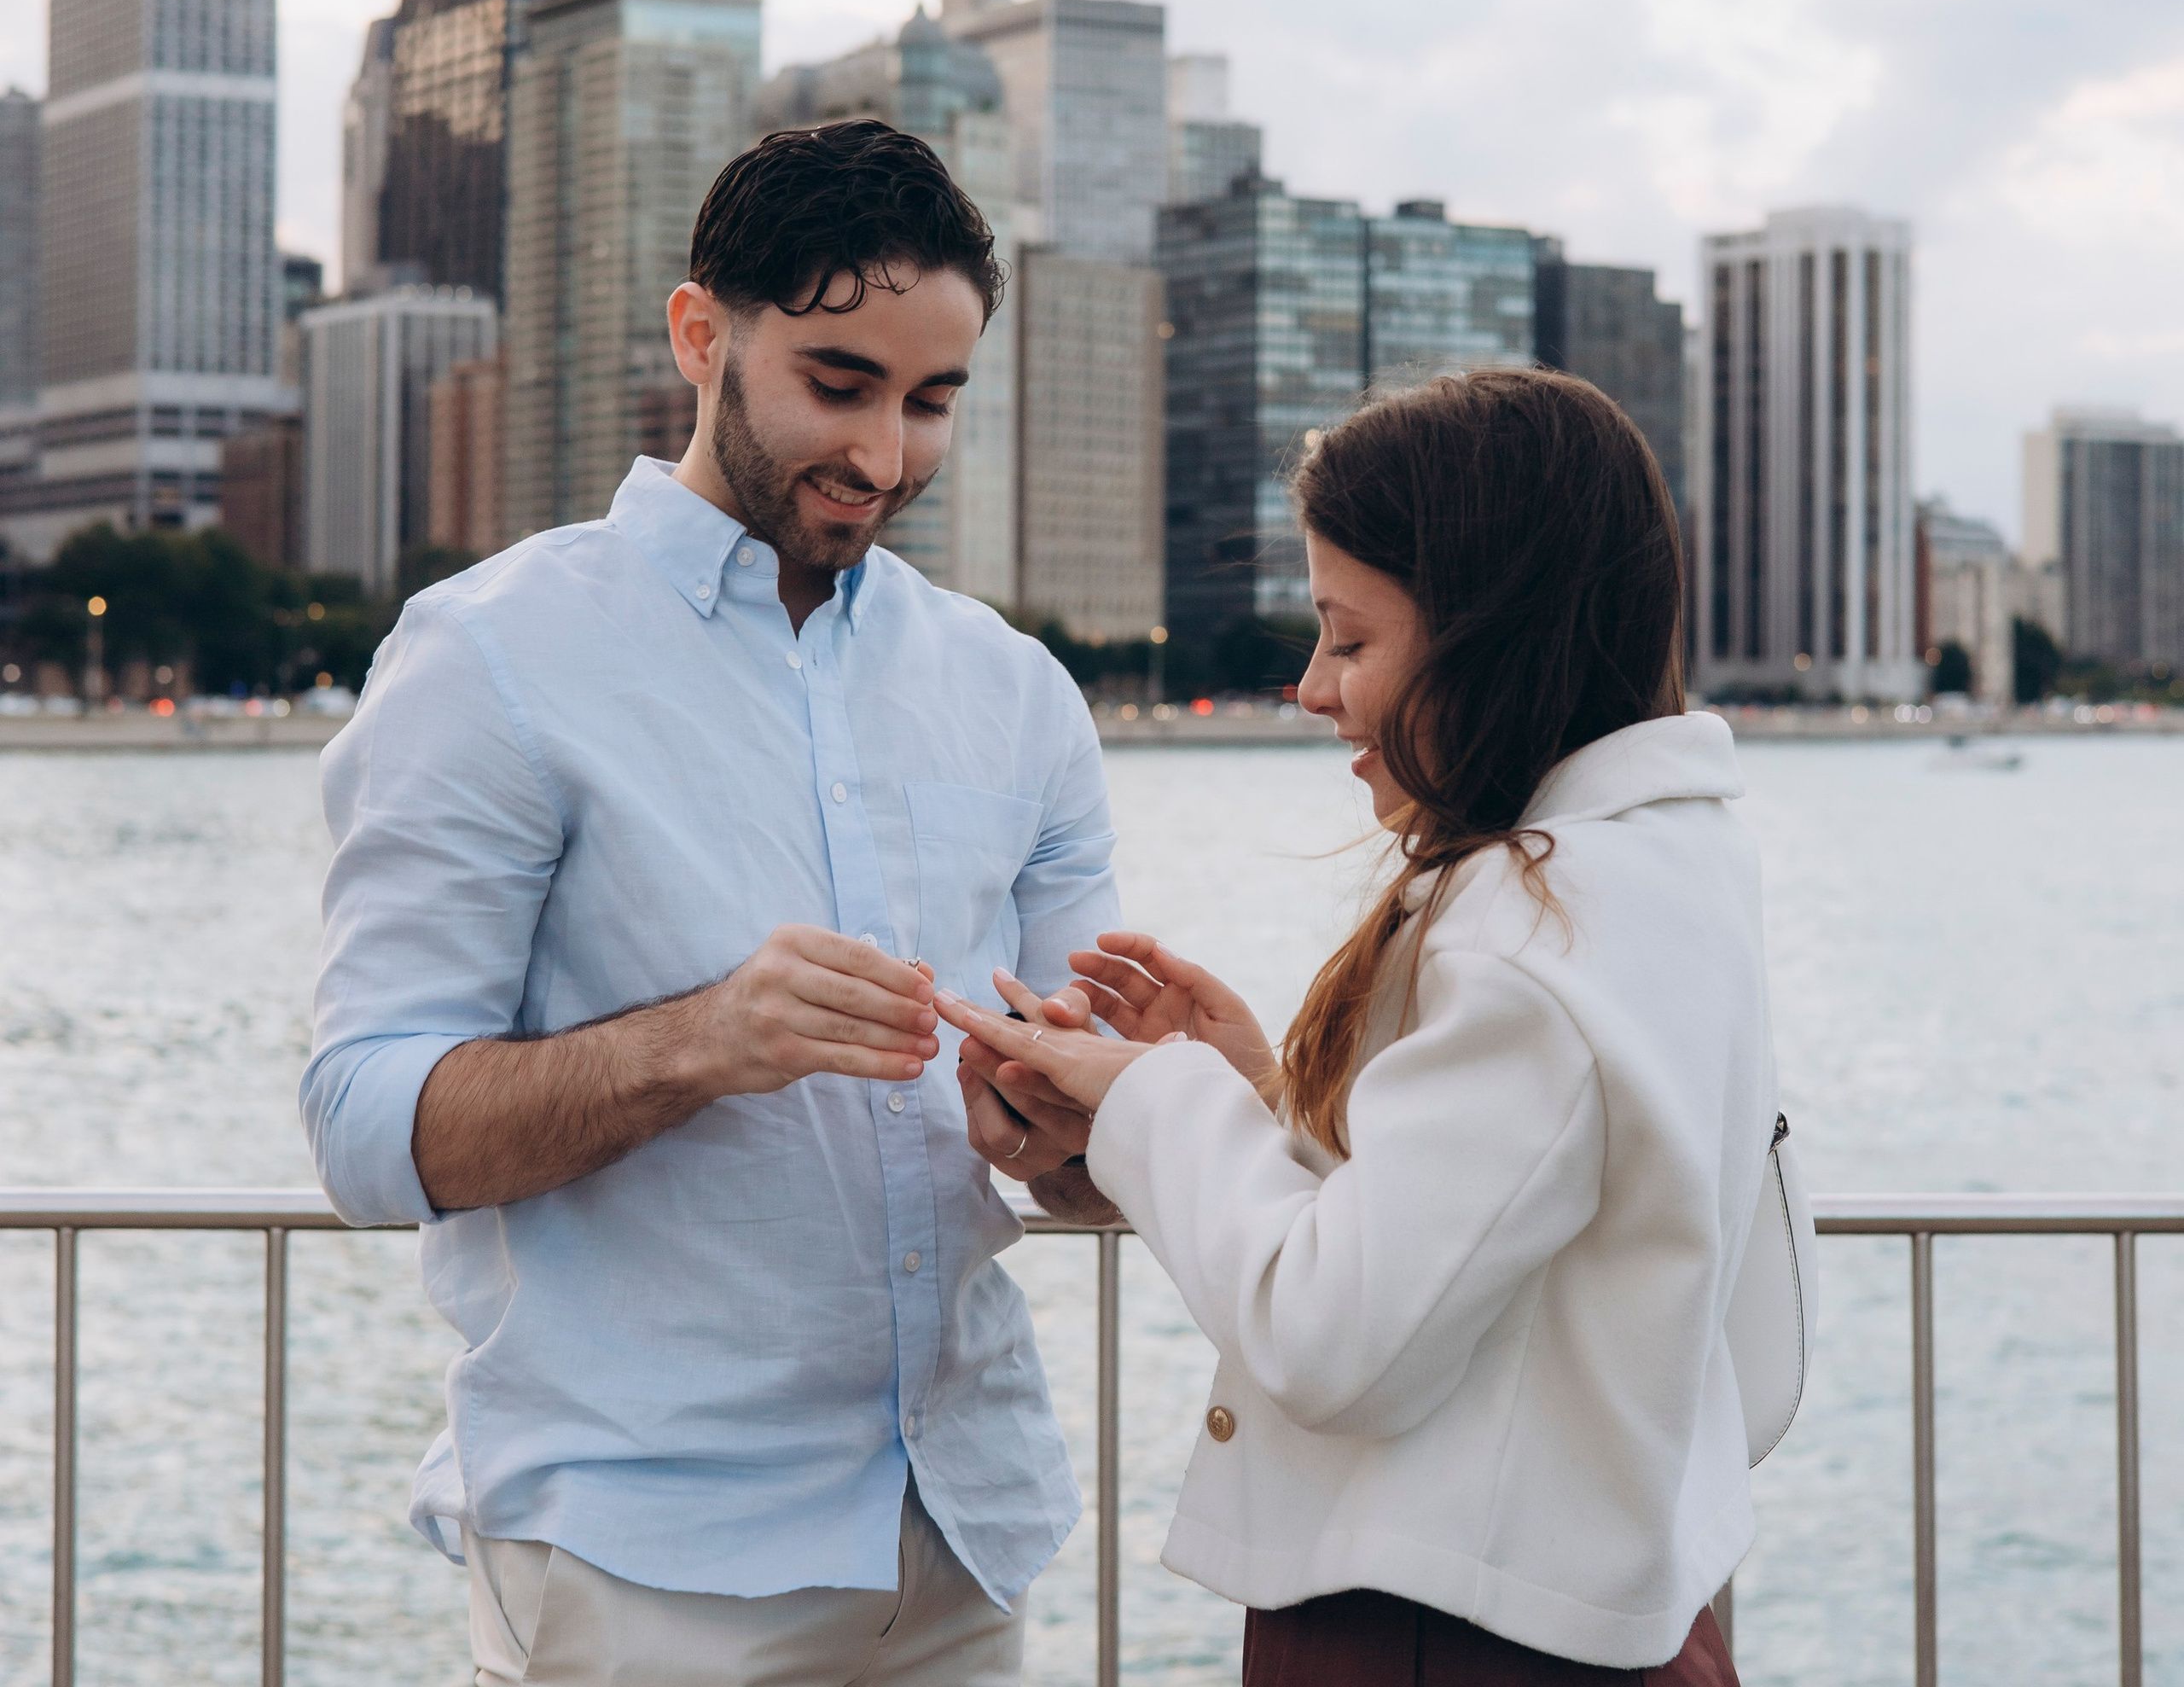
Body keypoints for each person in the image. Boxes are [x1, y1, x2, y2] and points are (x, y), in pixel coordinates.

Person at [302, 119, 1117, 1687]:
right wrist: (703, 1043)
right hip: (640, 1563)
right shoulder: (488, 659)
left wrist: (1079, 1122)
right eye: (839, 382)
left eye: (932, 400)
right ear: (702, 336)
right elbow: (361, 1126)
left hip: (962, 1538)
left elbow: (1080, 1169)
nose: (886, 457)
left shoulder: (1019, 697)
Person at [944, 369, 1773, 1686]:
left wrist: (1153, 1097)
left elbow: (1335, 1343)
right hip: (1607, 1610)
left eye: (1349, 637)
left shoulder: (1531, 930)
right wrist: (1264, 1097)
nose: (1311, 687)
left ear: (1488, 638)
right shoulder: (1674, 867)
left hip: (1441, 1631)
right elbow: (1510, 1235)